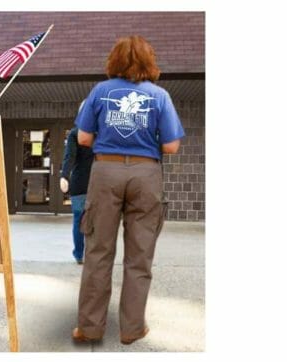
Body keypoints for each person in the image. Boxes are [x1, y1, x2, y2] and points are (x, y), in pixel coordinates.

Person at [72, 35, 184, 345]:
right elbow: (171, 145)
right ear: (149, 61)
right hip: (146, 173)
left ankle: (89, 328)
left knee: (97, 253)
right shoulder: (159, 96)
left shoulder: (101, 91)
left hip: (105, 171)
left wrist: (110, 146)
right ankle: (132, 329)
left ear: (114, 60)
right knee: (139, 257)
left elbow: (83, 137)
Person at [60, 126, 94, 264]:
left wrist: (65, 176)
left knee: (78, 220)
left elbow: (70, 156)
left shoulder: (75, 133)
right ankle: (94, 255)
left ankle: (79, 255)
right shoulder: (101, 130)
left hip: (79, 183)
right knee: (98, 221)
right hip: (98, 183)